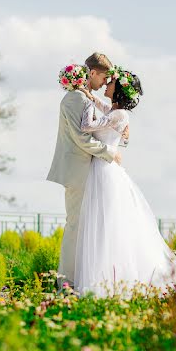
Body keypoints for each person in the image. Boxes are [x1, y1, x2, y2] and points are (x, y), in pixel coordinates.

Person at [73, 67, 176, 296]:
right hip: (100, 167)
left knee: (106, 223)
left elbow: (87, 126)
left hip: (105, 170)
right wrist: (89, 95)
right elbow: (103, 108)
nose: (106, 85)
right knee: (100, 223)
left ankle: (108, 280)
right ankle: (102, 277)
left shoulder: (120, 114)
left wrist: (86, 105)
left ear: (119, 89)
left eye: (110, 82)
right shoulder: (114, 110)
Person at [47, 53, 123, 286]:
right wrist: (110, 153)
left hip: (87, 171)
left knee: (85, 228)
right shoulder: (75, 99)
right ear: (92, 73)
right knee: (75, 226)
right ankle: (66, 283)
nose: (104, 83)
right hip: (77, 172)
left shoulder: (84, 97)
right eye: (104, 78)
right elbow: (82, 139)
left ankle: (79, 280)